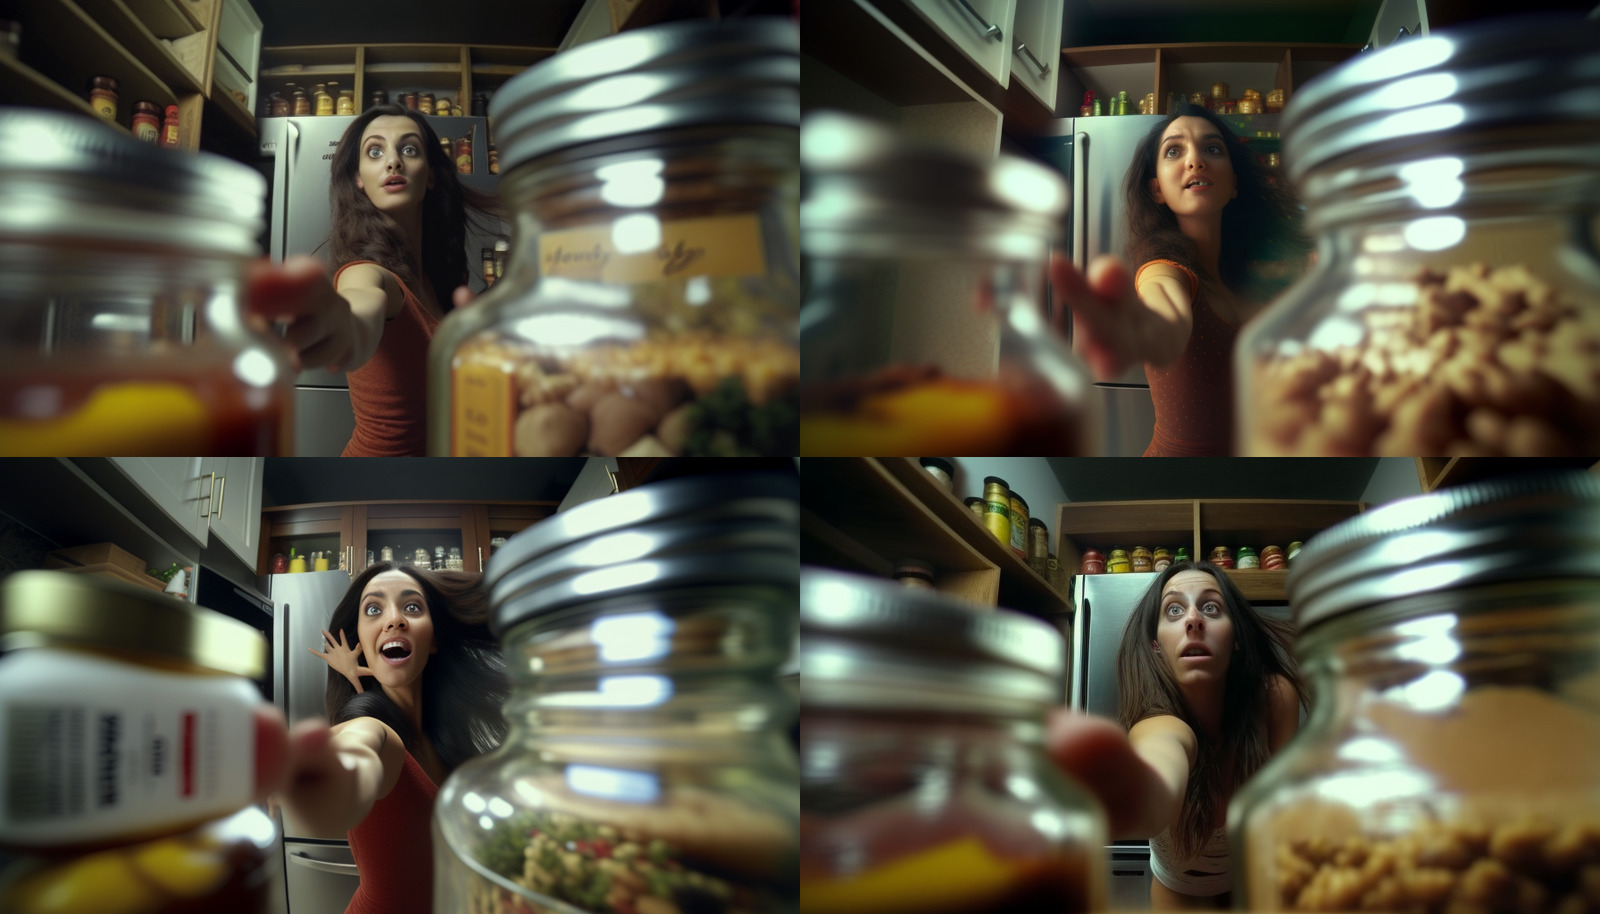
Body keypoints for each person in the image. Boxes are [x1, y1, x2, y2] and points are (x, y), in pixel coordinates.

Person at [1050, 104, 1313, 456]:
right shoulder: (1163, 269)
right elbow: (1163, 303)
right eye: (1174, 150)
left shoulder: (1259, 271)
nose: (1195, 160)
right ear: (1157, 189)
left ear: (1234, 183)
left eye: (1212, 148)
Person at [246, 104, 501, 456]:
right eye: (375, 151)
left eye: (409, 149)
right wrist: (341, 323)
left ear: (430, 176)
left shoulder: (441, 277)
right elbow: (359, 304)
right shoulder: (364, 273)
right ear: (360, 179)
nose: (393, 161)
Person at [1051, 560, 1306, 910]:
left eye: (1211, 607)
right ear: (1156, 646)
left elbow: (1290, 807)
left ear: (1235, 639)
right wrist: (1121, 799)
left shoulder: (1274, 698)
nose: (1193, 620)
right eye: (1174, 610)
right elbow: (1159, 774)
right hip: (1178, 895)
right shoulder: (1157, 725)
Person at [275, 562, 509, 914]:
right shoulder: (374, 728)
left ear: (433, 640)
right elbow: (359, 740)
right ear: (362, 642)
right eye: (373, 608)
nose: (395, 619)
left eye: (412, 607)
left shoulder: (444, 741)